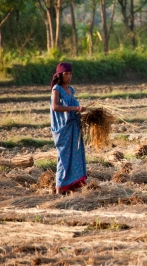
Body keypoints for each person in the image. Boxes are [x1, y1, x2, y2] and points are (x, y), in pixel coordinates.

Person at [50, 62, 87, 195]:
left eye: (70, 74)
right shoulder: (57, 89)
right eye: (66, 74)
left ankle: (73, 191)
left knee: (75, 157)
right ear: (60, 75)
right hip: (63, 130)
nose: (69, 76)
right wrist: (74, 108)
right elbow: (55, 107)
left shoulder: (71, 90)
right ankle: (59, 191)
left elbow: (75, 108)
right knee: (64, 159)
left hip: (74, 128)